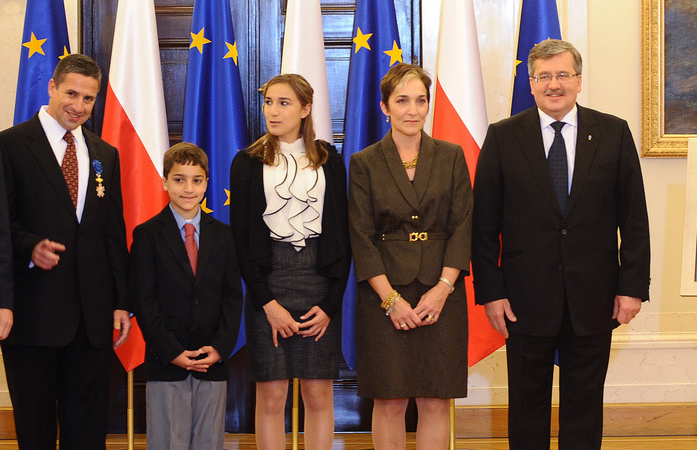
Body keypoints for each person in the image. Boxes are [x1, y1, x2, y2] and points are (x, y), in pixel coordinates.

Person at [472, 38, 651, 450]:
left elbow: (634, 219)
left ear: (579, 81)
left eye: (563, 75)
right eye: (544, 76)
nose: (554, 85)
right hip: (522, 299)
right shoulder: (502, 137)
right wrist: (492, 293)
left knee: (585, 405)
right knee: (526, 406)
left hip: (594, 295)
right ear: (531, 84)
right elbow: (483, 226)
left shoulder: (613, 132)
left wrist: (631, 287)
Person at [0, 53, 131, 449]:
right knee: (35, 431)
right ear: (51, 87)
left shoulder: (104, 154)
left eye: (89, 99)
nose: (79, 106)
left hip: (91, 322)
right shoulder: (10, 146)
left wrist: (121, 302)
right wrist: (29, 248)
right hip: (32, 315)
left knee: (88, 433)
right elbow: (2, 225)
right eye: (71, 93)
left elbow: (112, 233)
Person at [348, 62, 472, 450]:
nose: (412, 110)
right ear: (385, 107)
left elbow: (463, 225)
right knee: (389, 400)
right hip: (384, 297)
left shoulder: (452, 156)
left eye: (420, 100)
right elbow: (361, 236)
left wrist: (443, 289)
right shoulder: (364, 162)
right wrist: (391, 300)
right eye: (402, 101)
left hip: (442, 294)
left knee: (435, 399)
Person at [229, 74, 349, 450]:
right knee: (271, 397)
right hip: (270, 285)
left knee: (317, 394)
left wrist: (330, 305)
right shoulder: (247, 162)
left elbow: (342, 239)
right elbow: (242, 241)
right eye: (269, 102)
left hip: (318, 282)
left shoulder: (330, 160)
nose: (273, 111)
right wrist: (267, 303)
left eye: (284, 103)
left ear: (305, 109)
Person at [129, 142, 242, 450]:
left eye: (196, 180)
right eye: (179, 179)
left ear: (206, 183)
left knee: (208, 442)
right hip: (167, 361)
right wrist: (171, 351)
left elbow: (233, 297)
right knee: (169, 441)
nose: (188, 188)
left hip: (211, 361)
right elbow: (144, 300)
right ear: (165, 181)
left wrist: (220, 347)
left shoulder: (223, 236)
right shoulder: (147, 235)